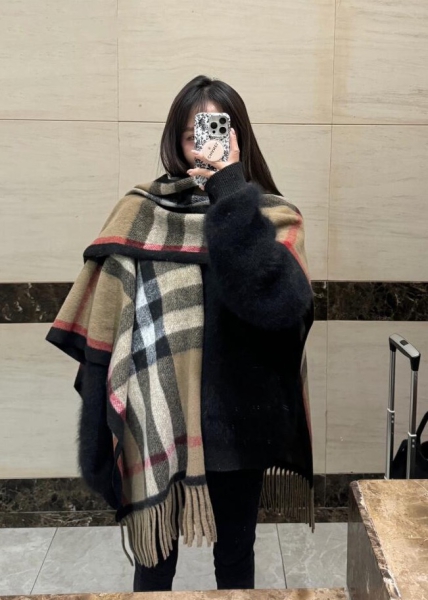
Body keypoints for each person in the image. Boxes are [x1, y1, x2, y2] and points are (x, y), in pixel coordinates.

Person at [46, 75, 315, 592]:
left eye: (217, 130)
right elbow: (109, 325)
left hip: (239, 421)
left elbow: (280, 306)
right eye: (194, 134)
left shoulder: (271, 215)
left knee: (235, 554)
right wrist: (98, 432)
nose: (204, 145)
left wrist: (229, 189)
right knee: (154, 562)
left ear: (239, 138)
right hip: (157, 419)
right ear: (175, 140)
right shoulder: (140, 213)